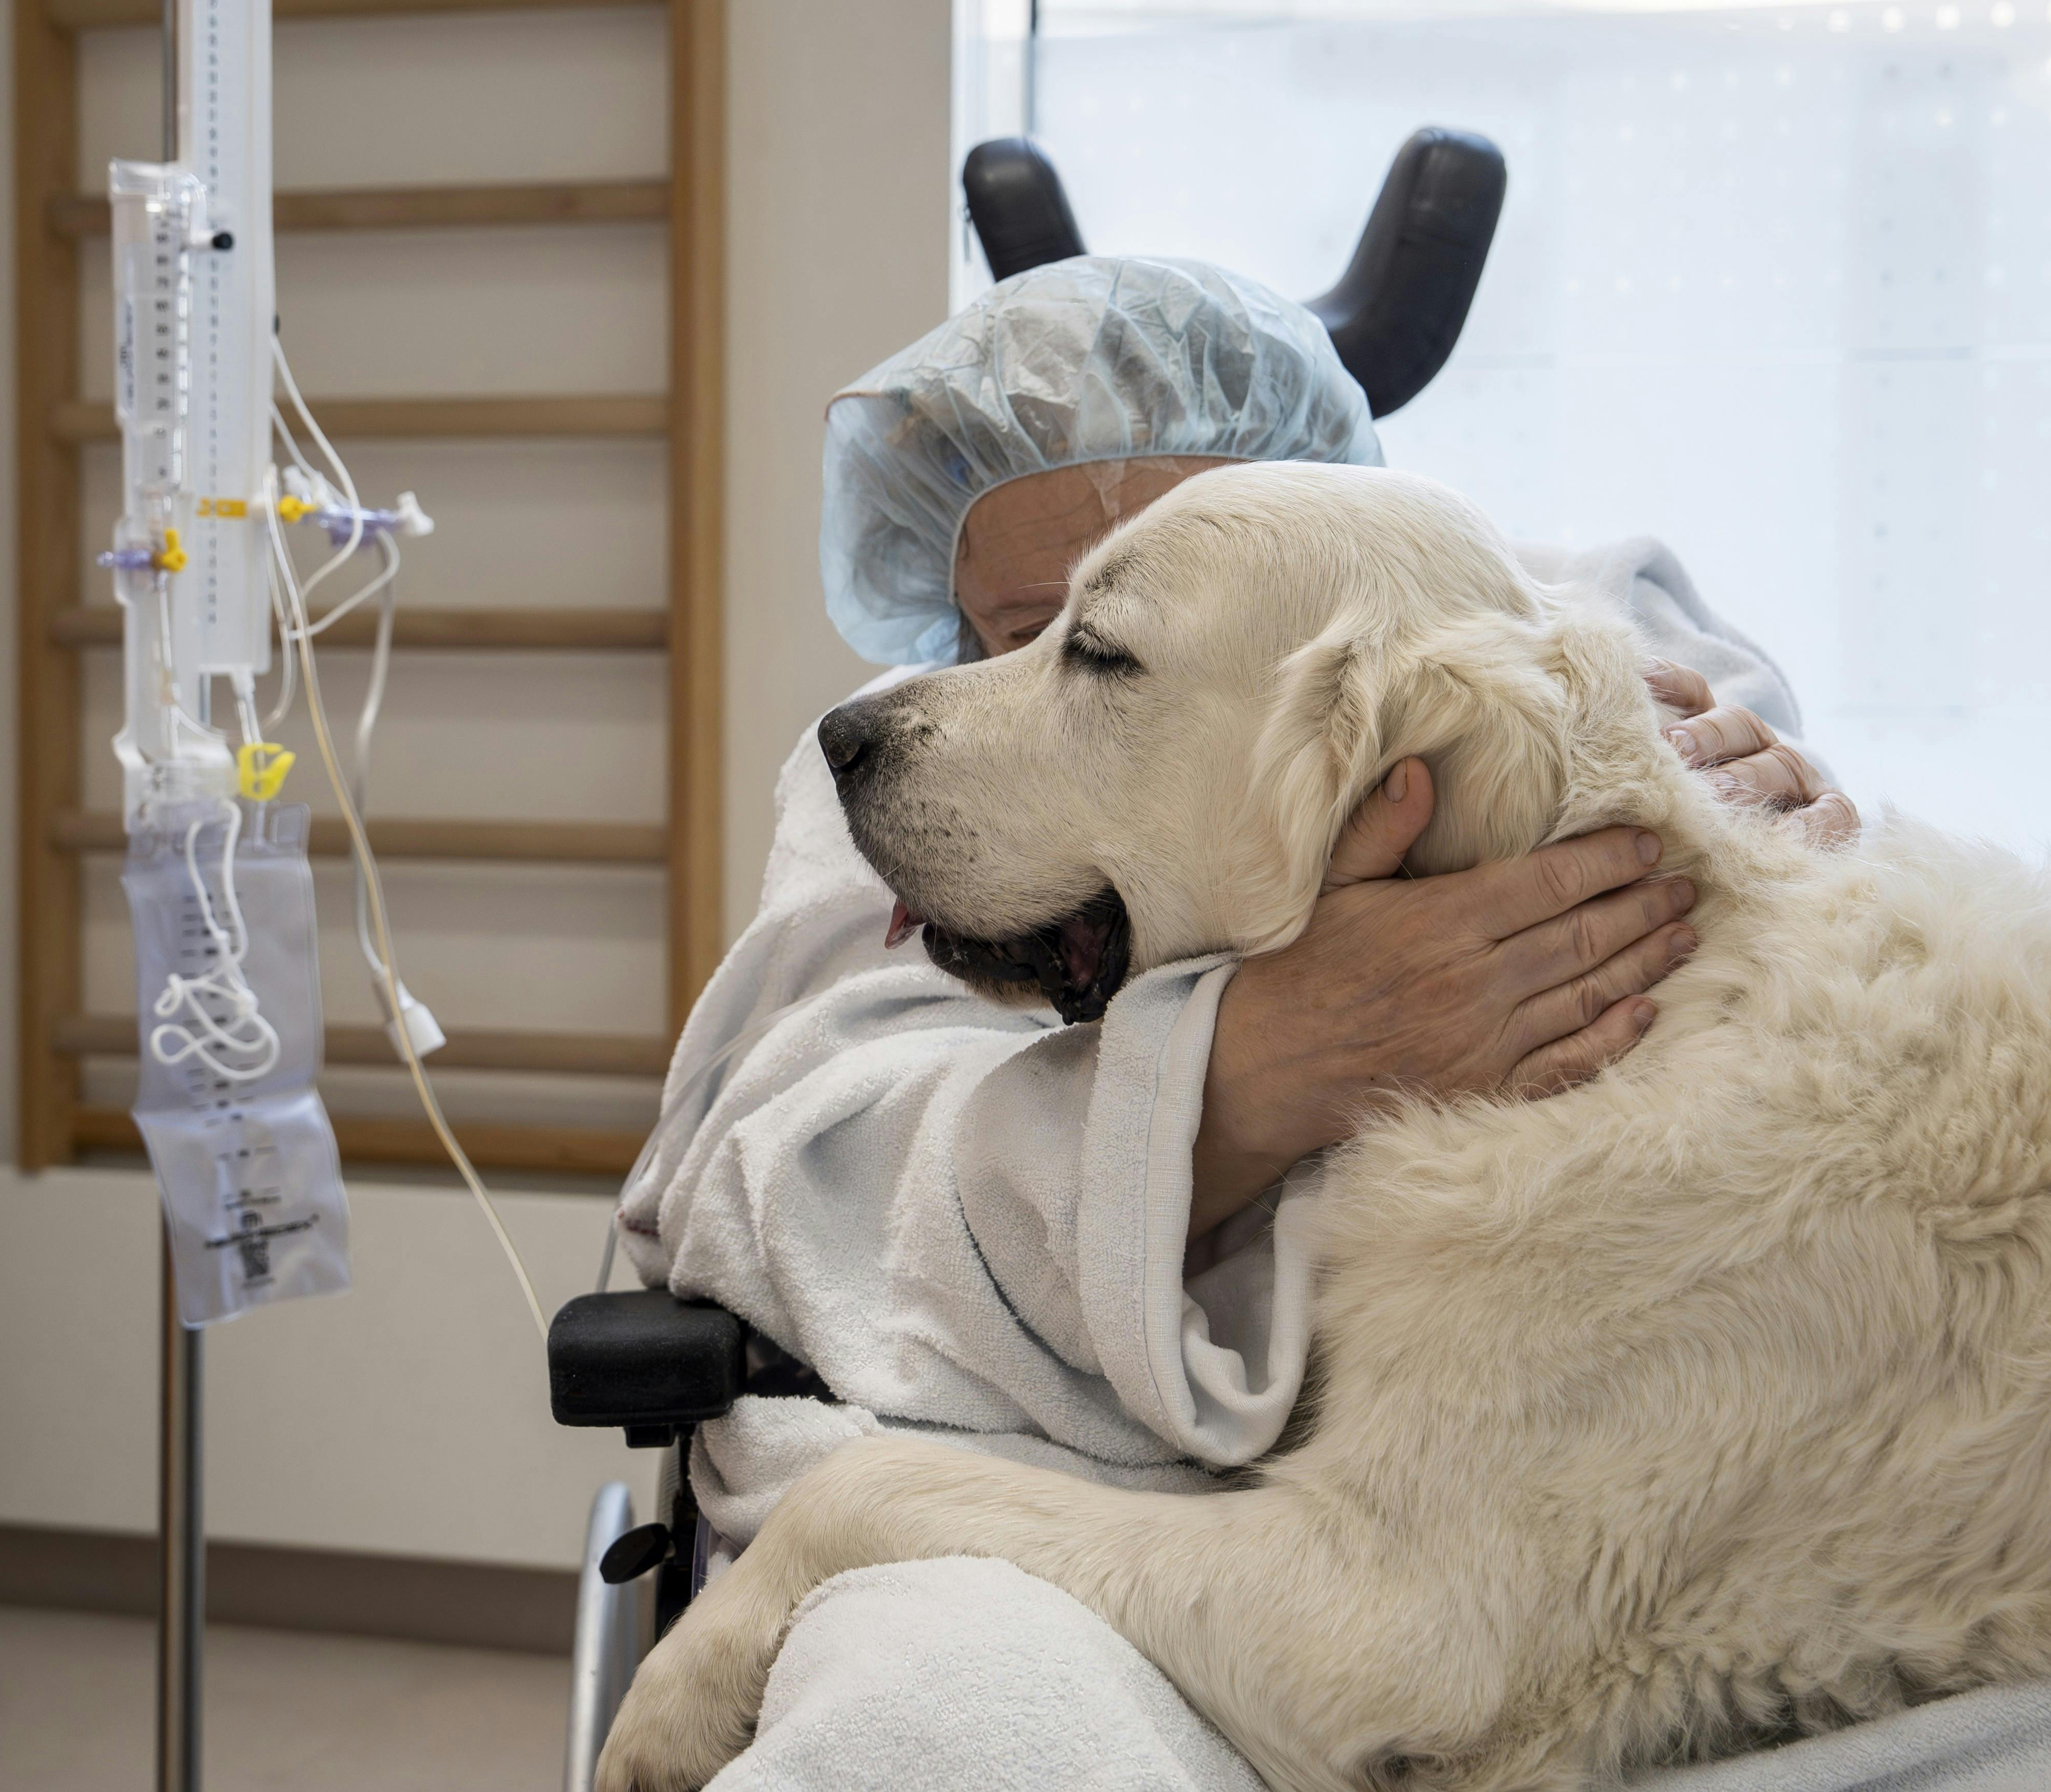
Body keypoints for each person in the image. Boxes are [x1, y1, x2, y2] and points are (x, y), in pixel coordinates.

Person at [620, 256, 1855, 1786]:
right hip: (1056, 1480)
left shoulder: (1582, 667)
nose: (1007, 687)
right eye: (1005, 636)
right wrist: (1242, 1077)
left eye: (1112, 638)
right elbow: (787, 1176)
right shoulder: (903, 780)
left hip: (1589, 1499)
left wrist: (1779, 847)